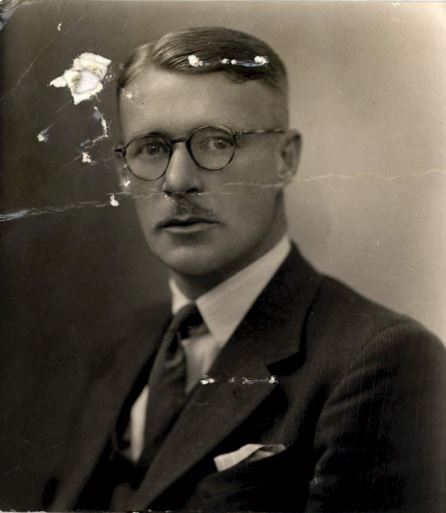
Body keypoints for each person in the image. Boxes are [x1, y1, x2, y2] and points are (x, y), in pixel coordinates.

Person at [48, 27, 445, 512]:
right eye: (151, 148)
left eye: (217, 143)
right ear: (123, 171)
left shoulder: (379, 361)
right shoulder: (123, 347)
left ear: (285, 159)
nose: (177, 181)